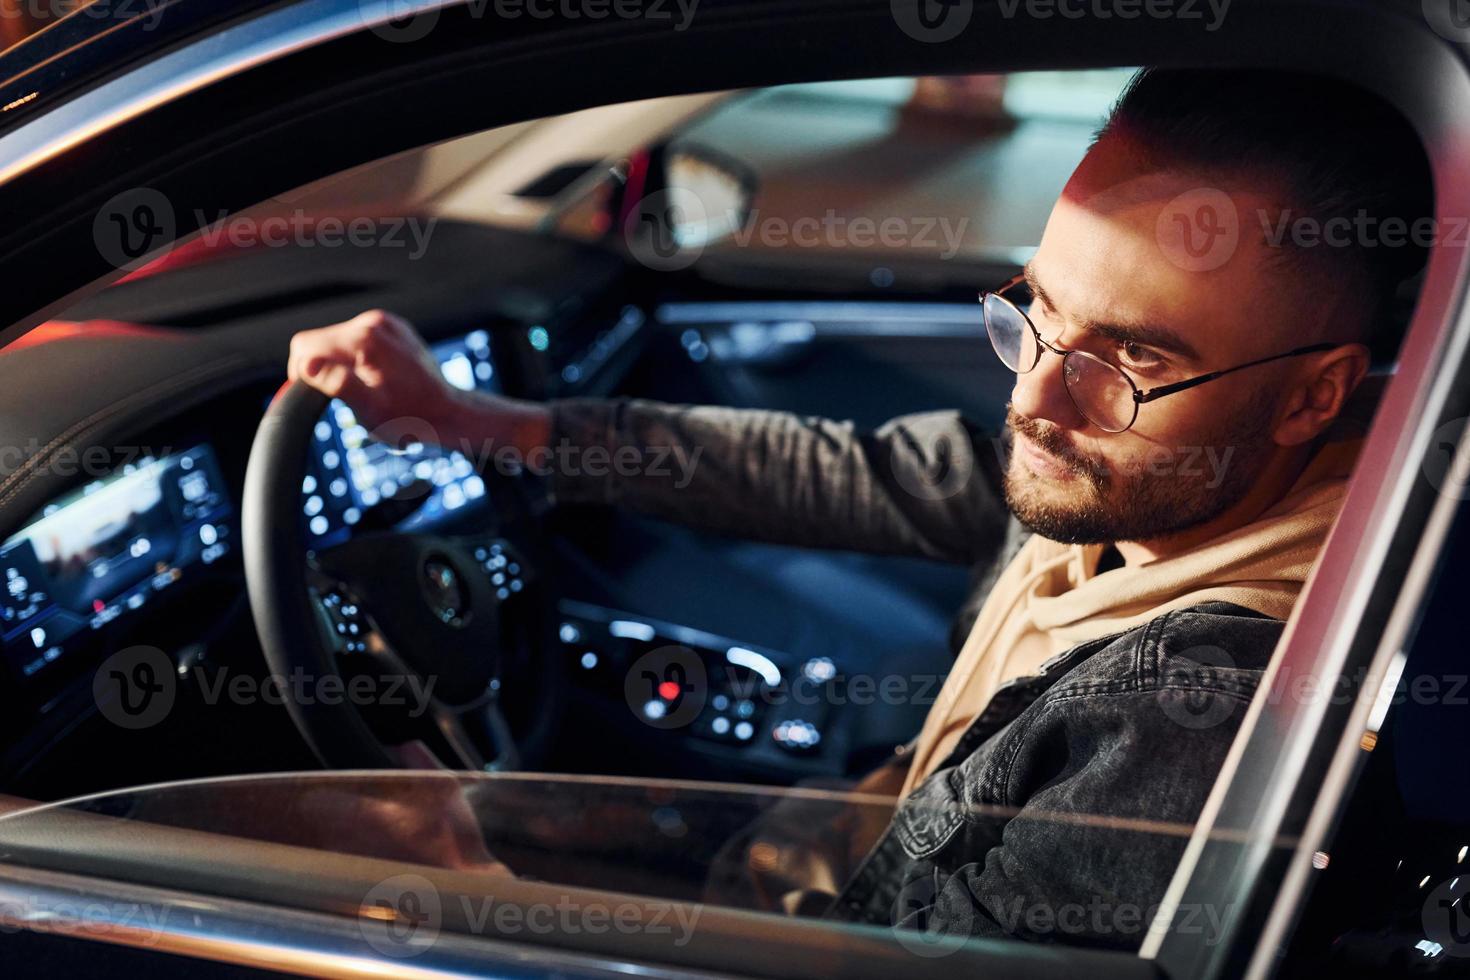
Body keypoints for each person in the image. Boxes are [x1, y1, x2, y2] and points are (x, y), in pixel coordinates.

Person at [286, 68, 1432, 947]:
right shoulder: (1146, 477)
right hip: (816, 856)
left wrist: (471, 900)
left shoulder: (1191, 719)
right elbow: (843, 468)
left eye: (1129, 359)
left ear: (1312, 395)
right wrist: (482, 423)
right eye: (1035, 311)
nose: (1033, 400)